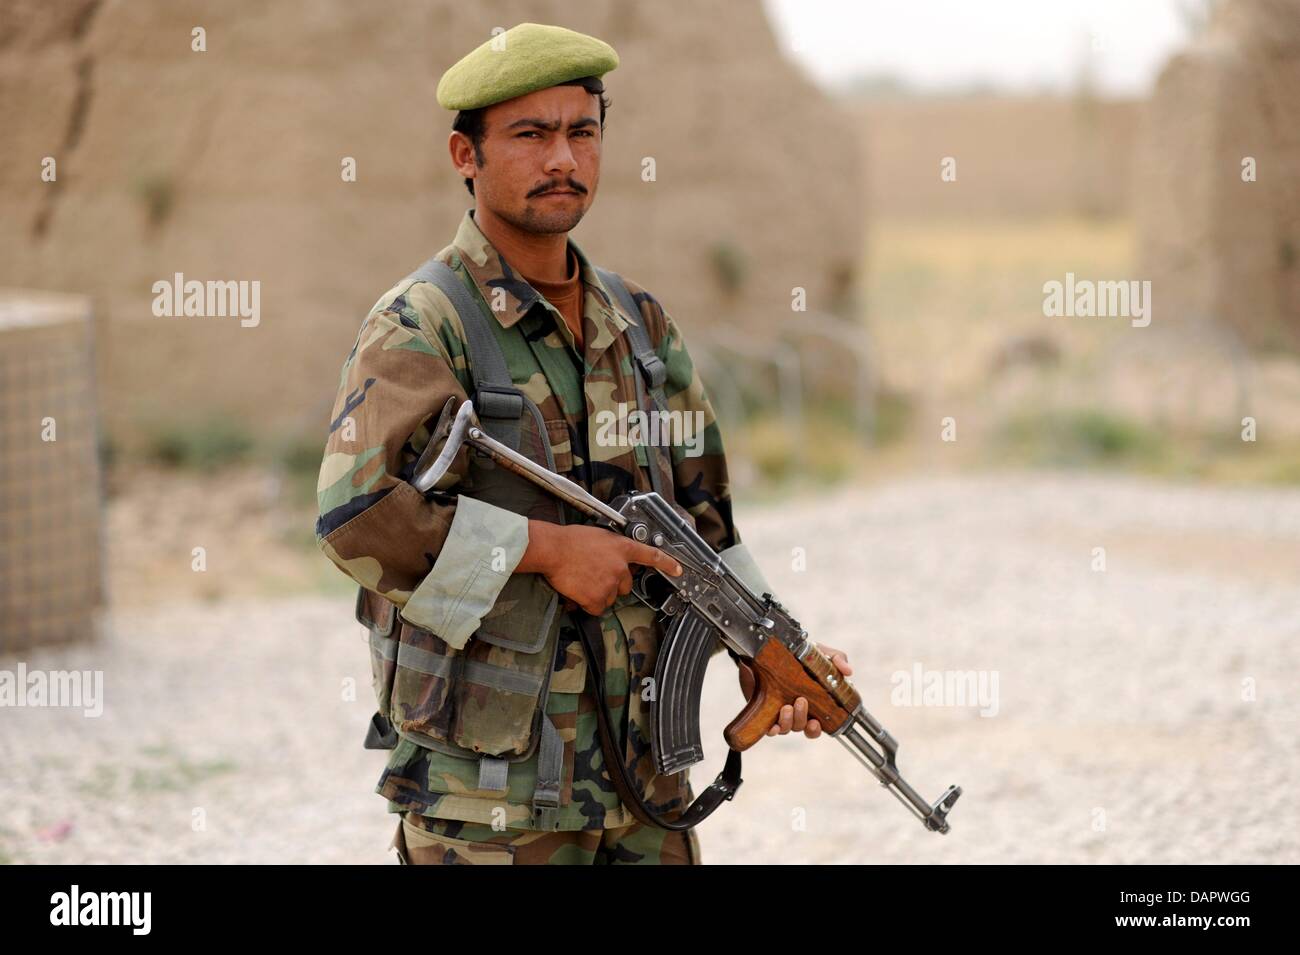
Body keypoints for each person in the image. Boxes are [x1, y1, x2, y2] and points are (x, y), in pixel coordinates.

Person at [315, 22, 851, 865]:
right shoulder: (423, 325)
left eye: (582, 131)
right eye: (530, 135)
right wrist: (544, 548)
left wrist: (768, 645)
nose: (562, 158)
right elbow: (356, 519)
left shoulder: (639, 323)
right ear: (467, 153)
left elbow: (706, 524)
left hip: (643, 788)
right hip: (493, 796)